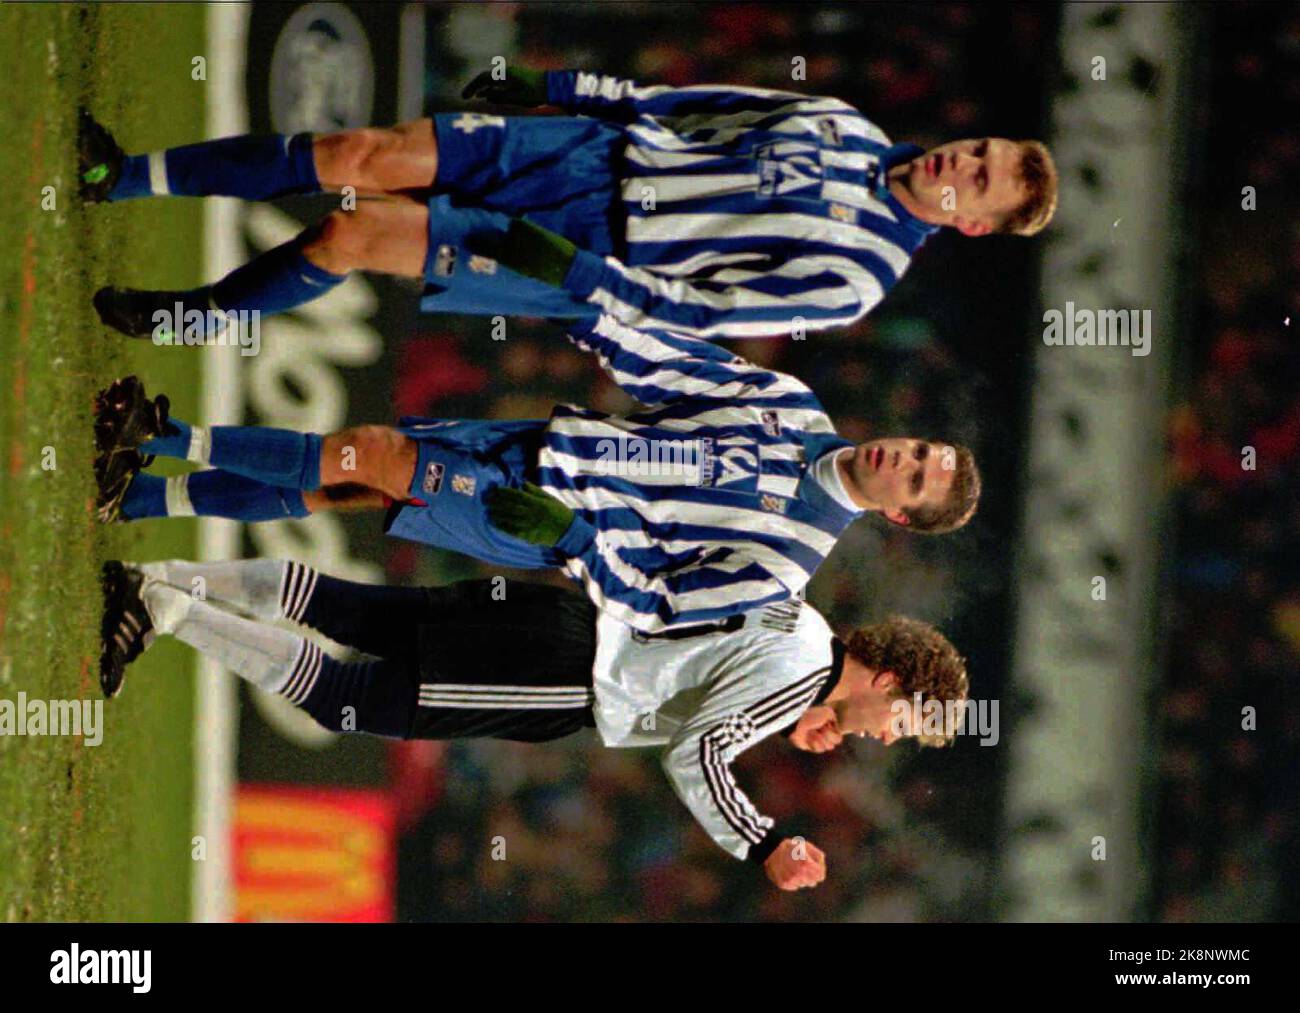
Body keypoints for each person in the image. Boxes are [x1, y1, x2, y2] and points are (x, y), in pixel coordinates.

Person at [99, 557, 969, 891]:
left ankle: (167, 575)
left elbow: (712, 662)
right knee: (351, 697)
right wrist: (761, 840)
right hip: (564, 682)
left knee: (358, 612)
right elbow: (697, 748)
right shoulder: (802, 675)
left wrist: (797, 719)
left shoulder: (803, 620)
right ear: (891, 678)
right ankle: (167, 610)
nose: (888, 737)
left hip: (560, 620)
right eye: (903, 719)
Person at [92, 313, 980, 633]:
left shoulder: (789, 562)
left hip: (533, 511)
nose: (900, 457)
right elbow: (675, 367)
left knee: (372, 453)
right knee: (352, 479)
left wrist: (575, 540)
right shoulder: (793, 403)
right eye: (916, 449)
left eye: (913, 478)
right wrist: (591, 312)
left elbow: (660, 602)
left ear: (899, 516)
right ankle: (142, 492)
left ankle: (161, 433)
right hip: (545, 439)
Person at [82, 65, 1057, 342]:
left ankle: (179, 319)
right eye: (977, 149)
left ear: (971, 223)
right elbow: (695, 107)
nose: (960, 162)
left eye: (978, 180)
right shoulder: (842, 122)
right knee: (354, 153)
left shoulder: (854, 281)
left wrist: (585, 279)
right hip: (588, 148)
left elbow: (705, 311)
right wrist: (574, 89)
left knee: (347, 232)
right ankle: (121, 175)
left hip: (582, 247)